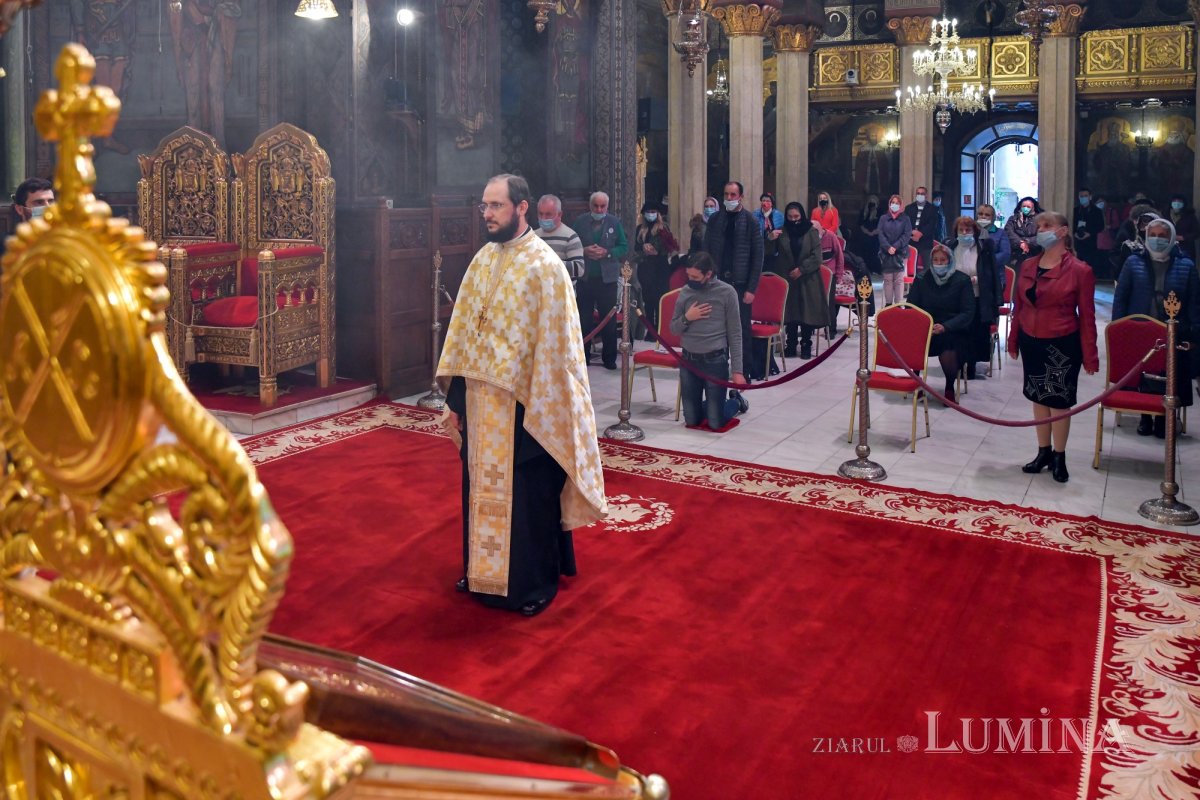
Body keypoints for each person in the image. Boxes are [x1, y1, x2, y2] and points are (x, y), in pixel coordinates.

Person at [438, 174, 606, 617]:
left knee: (527, 496)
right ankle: (480, 572)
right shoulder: (481, 260)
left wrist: (542, 399)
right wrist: (457, 402)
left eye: (496, 206)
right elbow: (464, 336)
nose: (487, 214)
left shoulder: (544, 266)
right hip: (480, 401)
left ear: (522, 207)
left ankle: (532, 584)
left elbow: (559, 349)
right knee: (478, 488)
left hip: (526, 403)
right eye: (484, 206)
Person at [1006, 211, 1099, 484]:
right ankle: (1043, 451)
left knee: (1058, 401)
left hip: (1061, 342)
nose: (1041, 230)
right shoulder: (1028, 265)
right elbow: (1019, 307)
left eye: (1047, 226)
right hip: (1031, 339)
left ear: (1063, 231)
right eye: (1039, 226)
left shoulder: (1080, 270)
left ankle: (1059, 456)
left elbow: (1088, 316)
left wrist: (1090, 355)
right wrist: (1013, 339)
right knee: (1038, 396)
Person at [1112, 217, 1199, 438]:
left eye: (1162, 236)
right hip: (1140, 329)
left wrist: (1194, 335)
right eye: (1153, 235)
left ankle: (1164, 418)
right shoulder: (1133, 262)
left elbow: (1194, 303)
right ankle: (1145, 417)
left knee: (1168, 374)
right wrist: (1118, 329)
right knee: (1144, 371)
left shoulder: (1186, 265)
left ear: (1171, 238)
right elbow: (1121, 298)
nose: (1157, 239)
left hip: (1173, 331)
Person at [670, 252, 747, 430]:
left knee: (715, 422)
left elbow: (735, 333)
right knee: (691, 421)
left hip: (715, 361)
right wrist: (688, 318)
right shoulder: (686, 292)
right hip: (689, 361)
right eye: (688, 276)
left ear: (709, 274)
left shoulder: (727, 292)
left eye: (695, 277)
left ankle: (735, 401)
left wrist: (738, 371)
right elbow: (673, 328)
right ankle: (712, 404)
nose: (691, 280)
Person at [703, 181, 763, 381]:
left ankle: (742, 371)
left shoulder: (751, 221)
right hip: (717, 283)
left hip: (741, 284)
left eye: (733, 195)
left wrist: (751, 288)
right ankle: (719, 367)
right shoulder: (715, 220)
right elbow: (706, 250)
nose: (729, 198)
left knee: (740, 330)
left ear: (741, 197)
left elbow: (757, 257)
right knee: (717, 328)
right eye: (726, 194)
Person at [906, 242, 975, 403]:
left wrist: (946, 327)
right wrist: (924, 324)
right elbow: (911, 307)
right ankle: (916, 382)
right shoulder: (922, 279)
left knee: (949, 343)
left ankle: (949, 387)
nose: (939, 263)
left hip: (952, 327)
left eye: (943, 260)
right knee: (915, 339)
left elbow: (968, 312)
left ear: (950, 260)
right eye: (935, 260)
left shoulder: (962, 280)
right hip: (926, 325)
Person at [573, 191, 629, 369]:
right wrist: (584, 250)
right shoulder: (580, 222)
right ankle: (584, 357)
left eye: (602, 206)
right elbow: (572, 245)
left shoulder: (614, 222)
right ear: (590, 206)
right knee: (584, 320)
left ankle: (609, 359)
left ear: (607, 206)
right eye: (595, 206)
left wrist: (608, 252)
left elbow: (624, 247)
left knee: (608, 320)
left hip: (608, 280)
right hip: (586, 278)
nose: (599, 209)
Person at [947, 215, 1001, 379]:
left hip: (978, 296)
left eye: (968, 230)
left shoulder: (984, 248)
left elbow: (991, 274)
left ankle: (971, 365)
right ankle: (958, 363)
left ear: (974, 232)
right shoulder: (951, 246)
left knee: (974, 333)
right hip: (956, 298)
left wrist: (977, 280)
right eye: (961, 230)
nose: (964, 233)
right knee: (958, 332)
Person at [770, 201, 825, 359]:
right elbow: (770, 253)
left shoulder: (810, 231)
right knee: (791, 313)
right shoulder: (782, 232)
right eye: (790, 217)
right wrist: (770, 238)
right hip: (788, 278)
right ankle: (791, 344)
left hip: (808, 278)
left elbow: (817, 256)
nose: (794, 219)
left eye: (796, 216)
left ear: (802, 215)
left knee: (806, 313)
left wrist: (801, 269)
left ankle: (806, 344)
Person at [633, 200, 679, 337]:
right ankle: (650, 330)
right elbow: (636, 247)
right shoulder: (640, 229)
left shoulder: (663, 228)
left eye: (653, 212)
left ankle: (660, 330)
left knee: (660, 299)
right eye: (648, 212)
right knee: (648, 300)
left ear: (657, 213)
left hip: (660, 268)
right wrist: (643, 248)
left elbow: (670, 246)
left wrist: (657, 250)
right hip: (645, 268)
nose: (650, 214)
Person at [536, 194, 585, 286]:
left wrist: (550, 264)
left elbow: (579, 269)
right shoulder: (534, 236)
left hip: (563, 292)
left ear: (559, 214)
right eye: (540, 214)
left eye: (548, 214)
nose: (543, 218)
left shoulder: (570, 237)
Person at [877, 193, 912, 306]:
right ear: (889, 204)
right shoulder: (883, 218)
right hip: (886, 253)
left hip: (901, 252)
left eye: (897, 203)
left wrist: (895, 247)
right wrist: (888, 247)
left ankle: (898, 305)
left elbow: (906, 235)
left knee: (898, 280)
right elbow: (880, 234)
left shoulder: (905, 219)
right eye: (893, 202)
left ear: (901, 205)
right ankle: (888, 304)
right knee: (888, 280)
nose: (894, 205)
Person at [813, 218, 845, 337]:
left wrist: (839, 275)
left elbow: (840, 256)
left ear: (821, 229)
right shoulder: (810, 238)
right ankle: (810, 327)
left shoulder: (831, 236)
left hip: (830, 274)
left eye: (816, 232)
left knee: (830, 303)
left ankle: (831, 330)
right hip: (814, 274)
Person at [1073, 187, 1106, 278]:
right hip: (1078, 242)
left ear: (1090, 197)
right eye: (1081, 196)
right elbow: (1071, 224)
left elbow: (1101, 226)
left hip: (1091, 242)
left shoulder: (1097, 211)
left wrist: (1090, 233)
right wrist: (1075, 233)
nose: (1083, 198)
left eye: (1085, 196)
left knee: (1089, 265)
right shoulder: (1075, 211)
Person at [904, 186, 939, 272]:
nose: (920, 195)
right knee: (911, 268)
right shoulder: (909, 208)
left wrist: (920, 233)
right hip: (911, 241)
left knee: (928, 268)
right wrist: (912, 232)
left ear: (926, 195)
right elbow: (905, 223)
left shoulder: (932, 209)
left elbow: (932, 225)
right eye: (918, 193)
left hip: (925, 242)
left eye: (922, 194)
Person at [1003, 196, 1043, 266]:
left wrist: (1027, 241)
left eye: (1028, 207)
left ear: (1033, 208)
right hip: (1015, 256)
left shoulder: (1040, 219)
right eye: (1024, 206)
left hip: (1034, 254)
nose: (1025, 208)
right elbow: (1008, 232)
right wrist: (1020, 243)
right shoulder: (1013, 219)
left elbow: (1041, 235)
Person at [975, 203, 1011, 276]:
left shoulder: (1001, 233)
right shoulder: (971, 232)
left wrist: (986, 261)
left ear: (993, 218)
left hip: (995, 275)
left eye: (987, 215)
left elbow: (1005, 254)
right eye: (980, 214)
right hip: (974, 274)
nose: (983, 217)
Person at [1167, 195, 1199, 261]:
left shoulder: (1190, 216)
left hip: (1187, 249)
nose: (1176, 203)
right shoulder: (1165, 215)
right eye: (1174, 201)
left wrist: (1183, 237)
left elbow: (1197, 232)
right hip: (1168, 249)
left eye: (1179, 201)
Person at [856, 194, 882, 274]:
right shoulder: (864, 211)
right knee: (864, 252)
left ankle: (875, 269)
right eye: (870, 201)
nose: (872, 203)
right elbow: (860, 224)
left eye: (874, 202)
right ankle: (865, 270)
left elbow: (882, 224)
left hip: (876, 236)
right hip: (865, 236)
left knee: (874, 253)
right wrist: (867, 232)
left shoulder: (880, 212)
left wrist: (874, 232)